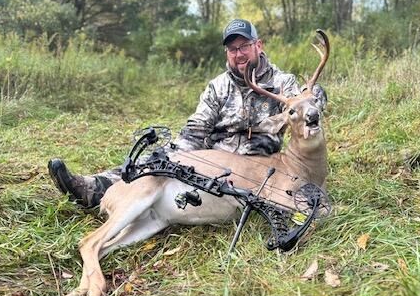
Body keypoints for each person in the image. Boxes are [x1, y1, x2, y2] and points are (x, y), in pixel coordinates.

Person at [48, 18, 327, 209]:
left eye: (244, 46)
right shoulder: (218, 87)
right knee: (161, 162)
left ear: (259, 45)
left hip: (261, 167)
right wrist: (174, 154)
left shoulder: (283, 83)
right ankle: (94, 187)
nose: (238, 53)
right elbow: (197, 130)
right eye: (232, 48)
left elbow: (301, 105)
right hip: (215, 161)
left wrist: (314, 99)